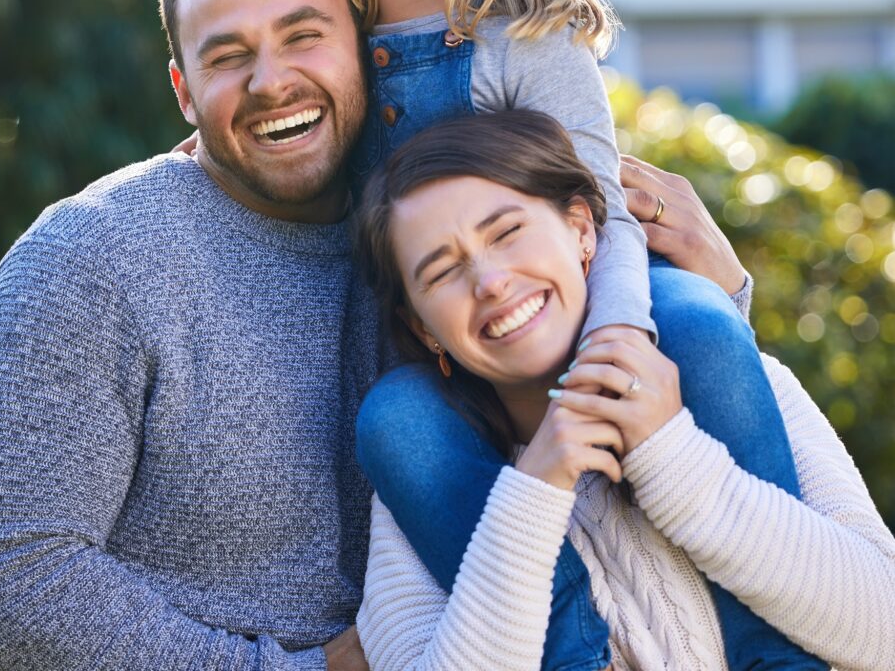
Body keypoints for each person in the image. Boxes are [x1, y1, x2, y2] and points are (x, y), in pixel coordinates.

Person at [287, 0, 822, 669]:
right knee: (393, 422)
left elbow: (604, 209)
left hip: (578, 304)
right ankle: (575, 649)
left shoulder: (526, 38)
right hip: (450, 346)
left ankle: (774, 649)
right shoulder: (322, 33)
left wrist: (619, 333)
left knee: (697, 320)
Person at [0, 0, 376, 671]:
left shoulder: (433, 240)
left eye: (303, 35)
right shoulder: (93, 257)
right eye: (227, 56)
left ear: (363, 49)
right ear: (184, 90)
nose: (272, 81)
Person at [353, 109, 895, 671]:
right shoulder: (419, 489)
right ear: (423, 328)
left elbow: (886, 628)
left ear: (582, 230)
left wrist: (675, 458)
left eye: (508, 232)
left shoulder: (744, 385)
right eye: (442, 272)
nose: (490, 282)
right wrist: (534, 492)